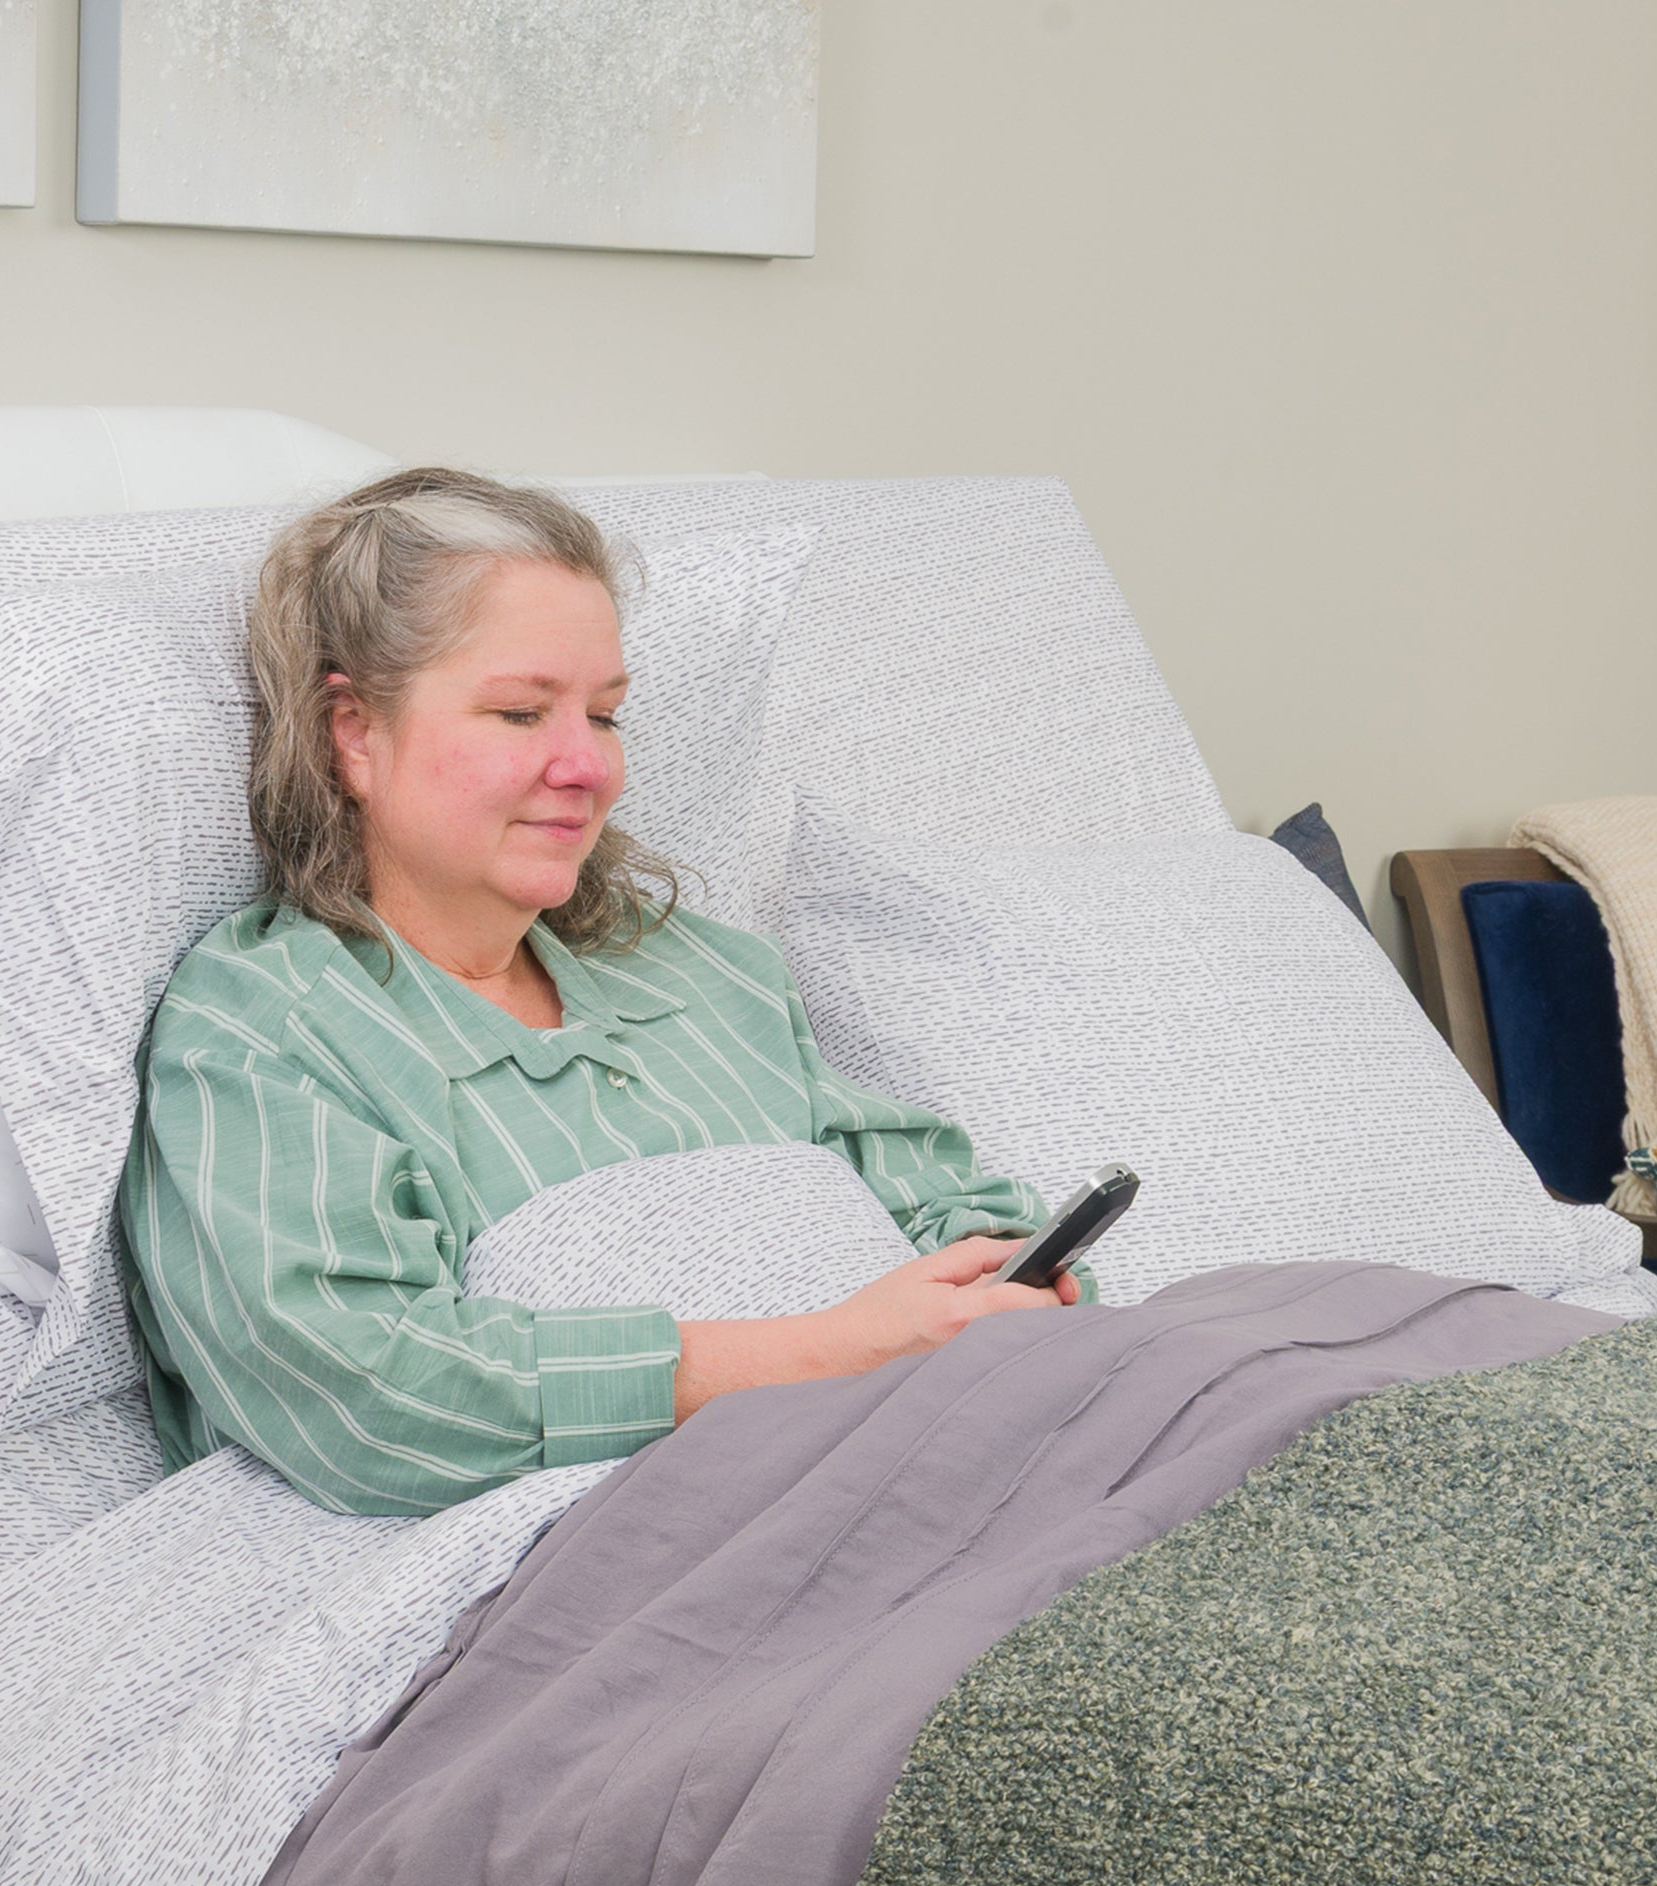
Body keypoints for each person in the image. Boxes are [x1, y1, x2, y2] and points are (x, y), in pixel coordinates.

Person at [117, 467, 1089, 1517]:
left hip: (966, 1455)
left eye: (606, 715)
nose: (588, 767)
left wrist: (1009, 1287)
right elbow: (364, 1400)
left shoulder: (707, 970)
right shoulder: (262, 1028)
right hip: (687, 1540)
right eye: (520, 712)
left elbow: (940, 1201)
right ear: (352, 731)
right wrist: (831, 1349)